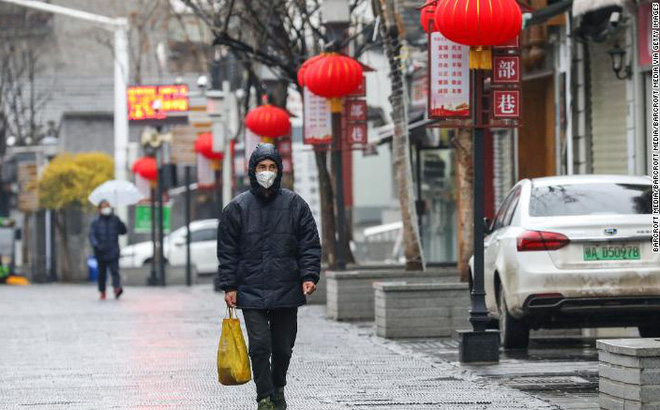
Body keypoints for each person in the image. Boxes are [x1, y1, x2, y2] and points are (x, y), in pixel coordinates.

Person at [217, 143, 321, 410]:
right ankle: (264, 396)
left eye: (271, 167)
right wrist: (229, 285)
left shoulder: (295, 205)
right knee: (260, 346)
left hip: (286, 287)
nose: (267, 172)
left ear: (279, 170)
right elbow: (227, 250)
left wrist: (309, 275)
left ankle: (278, 387)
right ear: (253, 170)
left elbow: (309, 243)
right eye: (262, 167)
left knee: (283, 348)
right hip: (250, 290)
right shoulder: (237, 208)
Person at [89, 200, 127, 300]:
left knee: (115, 271)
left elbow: (123, 231)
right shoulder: (95, 222)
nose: (106, 208)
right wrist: (97, 245)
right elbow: (92, 236)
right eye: (104, 207)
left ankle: (117, 288)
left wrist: (120, 222)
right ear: (99, 209)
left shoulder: (115, 219)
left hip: (113, 250)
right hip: (100, 252)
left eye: (107, 206)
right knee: (102, 273)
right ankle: (102, 291)